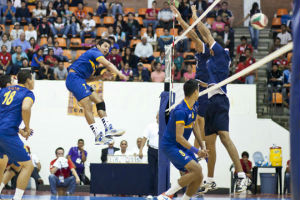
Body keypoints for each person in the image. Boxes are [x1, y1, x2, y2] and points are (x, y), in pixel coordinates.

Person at [190, 5, 247, 193]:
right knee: (210, 145)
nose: (208, 44)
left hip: (220, 100)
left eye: (211, 43)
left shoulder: (221, 54)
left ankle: (241, 176)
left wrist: (197, 16)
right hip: (210, 101)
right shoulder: (209, 60)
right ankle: (211, 179)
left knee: (224, 137)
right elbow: (202, 37)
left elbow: (206, 35)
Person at [66, 39, 128, 145]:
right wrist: (119, 73)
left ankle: (108, 128)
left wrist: (101, 76)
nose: (107, 49)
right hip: (74, 78)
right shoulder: (94, 52)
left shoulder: (94, 64)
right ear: (98, 46)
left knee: (99, 101)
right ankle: (98, 136)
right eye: (105, 46)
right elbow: (108, 64)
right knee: (88, 105)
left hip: (80, 80)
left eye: (108, 47)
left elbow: (88, 80)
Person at [157, 79, 208, 200]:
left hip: (180, 146)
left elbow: (194, 125)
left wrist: (203, 146)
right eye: (198, 90)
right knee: (196, 169)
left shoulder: (194, 105)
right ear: (195, 92)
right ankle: (167, 195)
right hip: (170, 146)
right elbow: (179, 138)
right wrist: (197, 151)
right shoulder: (181, 111)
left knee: (199, 175)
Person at [0, 70, 35, 200]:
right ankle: (17, 198)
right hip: (7, 133)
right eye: (33, 79)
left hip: (4, 131)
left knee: (2, 163)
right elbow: (25, 108)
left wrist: (19, 131)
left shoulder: (3, 90)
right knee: (27, 165)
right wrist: (26, 128)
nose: (33, 82)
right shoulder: (27, 93)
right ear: (28, 80)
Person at [139, 113, 159, 195]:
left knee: (159, 173)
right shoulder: (150, 126)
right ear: (156, 116)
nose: (159, 117)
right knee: (151, 172)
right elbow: (144, 138)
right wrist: (140, 150)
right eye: (158, 115)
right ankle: (151, 193)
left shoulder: (166, 126)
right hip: (152, 151)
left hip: (162, 152)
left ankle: (159, 192)